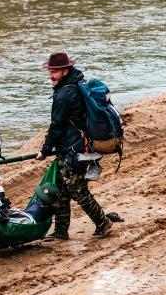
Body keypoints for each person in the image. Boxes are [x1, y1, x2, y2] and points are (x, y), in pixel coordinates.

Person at [36, 51, 115, 240]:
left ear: (65, 70)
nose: (51, 75)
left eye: (54, 71)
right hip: (76, 146)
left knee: (77, 190)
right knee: (62, 189)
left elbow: (56, 126)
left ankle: (102, 222)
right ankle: (61, 231)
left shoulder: (65, 94)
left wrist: (44, 150)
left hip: (73, 150)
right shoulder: (76, 85)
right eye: (50, 71)